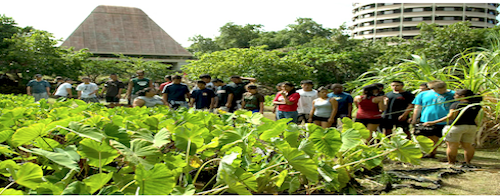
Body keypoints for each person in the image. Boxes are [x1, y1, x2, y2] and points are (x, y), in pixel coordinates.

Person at [423, 89, 482, 166]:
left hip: (456, 127)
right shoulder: (476, 105)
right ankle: (468, 162)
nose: (454, 96)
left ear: (463, 96)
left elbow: (450, 117)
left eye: (456, 95)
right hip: (471, 127)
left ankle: (451, 162)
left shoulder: (456, 105)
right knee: (468, 146)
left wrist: (432, 122)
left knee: (452, 145)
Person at [411, 80, 455, 158]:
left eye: (443, 89)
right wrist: (414, 119)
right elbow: (417, 107)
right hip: (426, 119)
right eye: (438, 90)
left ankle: (432, 152)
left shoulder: (453, 94)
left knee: (436, 138)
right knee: (424, 137)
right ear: (432, 88)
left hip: (444, 121)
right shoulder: (423, 94)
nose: (441, 91)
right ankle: (426, 152)